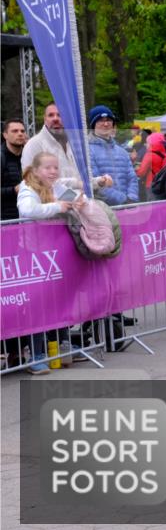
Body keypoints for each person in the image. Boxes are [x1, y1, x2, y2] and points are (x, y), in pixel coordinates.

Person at [17, 152, 86, 374]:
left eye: (56, 167)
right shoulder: (28, 188)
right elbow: (27, 210)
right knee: (38, 305)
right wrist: (57, 207)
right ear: (36, 170)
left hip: (56, 253)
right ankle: (36, 355)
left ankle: (62, 346)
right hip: (34, 256)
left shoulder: (55, 186)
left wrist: (80, 199)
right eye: (48, 168)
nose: (53, 171)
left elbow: (75, 199)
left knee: (60, 300)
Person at [21, 102, 110, 192]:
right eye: (51, 115)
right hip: (51, 204)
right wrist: (72, 197)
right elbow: (32, 181)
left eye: (60, 115)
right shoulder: (34, 144)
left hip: (79, 203)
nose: (55, 119)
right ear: (45, 119)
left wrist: (99, 182)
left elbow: (80, 180)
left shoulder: (75, 144)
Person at [87, 106, 140, 207]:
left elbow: (132, 178)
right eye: (101, 120)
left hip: (129, 207)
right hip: (104, 211)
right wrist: (123, 200)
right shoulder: (88, 151)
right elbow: (95, 183)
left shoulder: (122, 152)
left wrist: (131, 198)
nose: (106, 124)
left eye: (108, 120)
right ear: (93, 125)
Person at [2, 119, 27, 221]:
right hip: (6, 220)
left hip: (29, 218)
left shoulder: (30, 156)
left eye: (22, 131)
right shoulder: (2, 157)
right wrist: (13, 190)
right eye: (15, 131)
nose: (20, 134)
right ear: (5, 135)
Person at [136, 132, 166, 198]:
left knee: (151, 204)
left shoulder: (149, 155)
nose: (146, 145)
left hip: (151, 185)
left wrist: (136, 169)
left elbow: (141, 173)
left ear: (151, 144)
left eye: (147, 143)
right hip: (162, 184)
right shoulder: (164, 153)